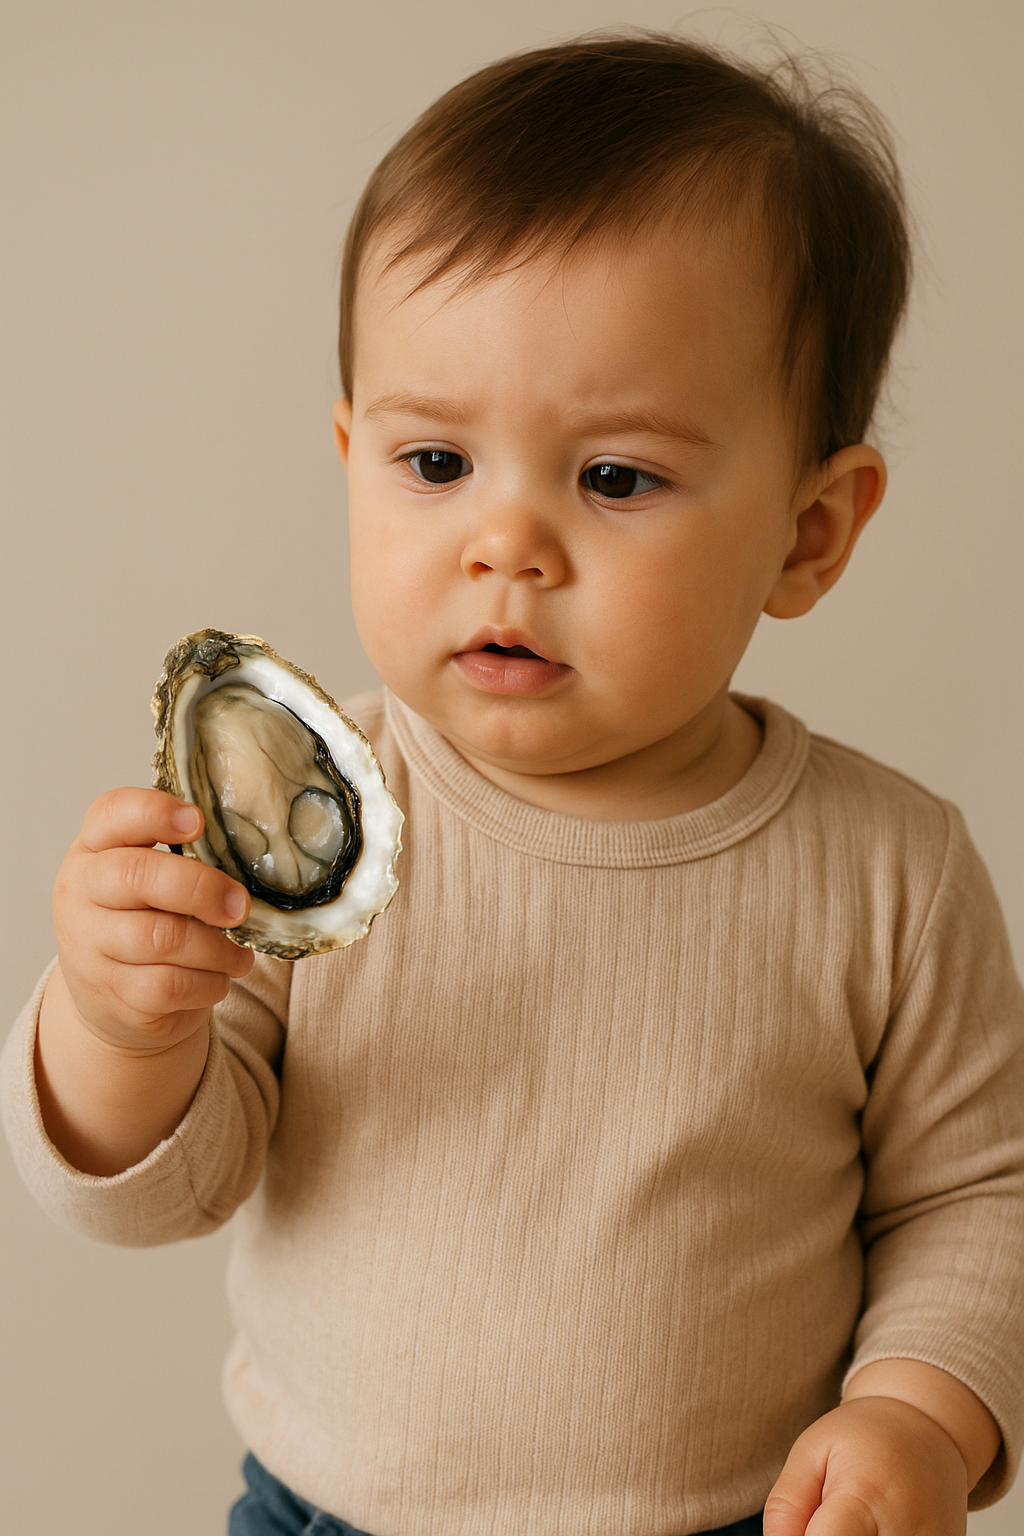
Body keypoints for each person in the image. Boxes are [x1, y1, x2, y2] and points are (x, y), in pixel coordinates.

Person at [3, 30, 1023, 1536]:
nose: (507, 546)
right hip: (325, 1517)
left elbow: (976, 1199)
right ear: (350, 453)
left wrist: (919, 1415)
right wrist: (118, 1023)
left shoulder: (890, 874)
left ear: (811, 532)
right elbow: (167, 1191)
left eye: (614, 477)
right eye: (434, 464)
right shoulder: (295, 818)